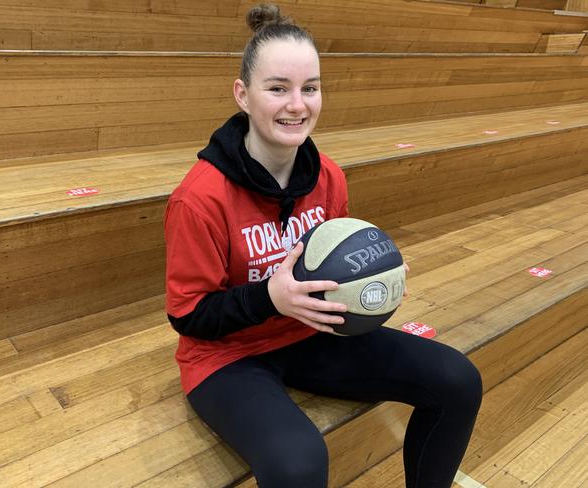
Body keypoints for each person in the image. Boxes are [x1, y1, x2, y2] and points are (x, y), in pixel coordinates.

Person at [164, 4, 483, 487]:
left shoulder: (327, 174)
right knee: (299, 464)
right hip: (226, 359)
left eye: (309, 88)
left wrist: (373, 279)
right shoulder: (199, 198)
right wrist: (269, 296)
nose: (297, 105)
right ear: (242, 95)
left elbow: (335, 272)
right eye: (277, 88)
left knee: (458, 381)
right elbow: (188, 317)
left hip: (310, 335)